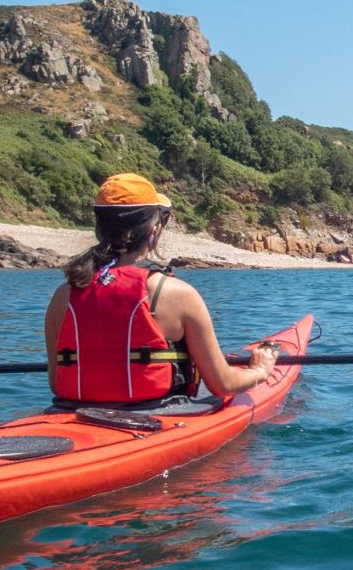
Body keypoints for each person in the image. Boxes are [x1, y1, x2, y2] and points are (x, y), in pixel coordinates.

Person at [45, 173, 279, 409]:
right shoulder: (178, 295)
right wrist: (260, 370)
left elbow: (56, 382)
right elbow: (223, 384)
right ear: (154, 229)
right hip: (153, 416)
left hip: (71, 411)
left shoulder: (64, 294)